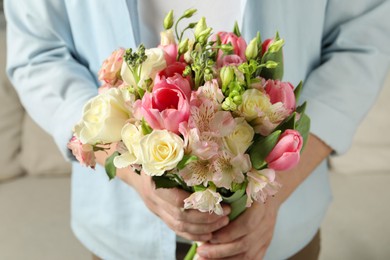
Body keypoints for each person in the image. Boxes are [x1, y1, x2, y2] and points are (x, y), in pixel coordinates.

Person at [4, 0, 390, 259]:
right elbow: (39, 55)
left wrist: (275, 188)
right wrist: (129, 168)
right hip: (119, 233)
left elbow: (361, 44)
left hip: (281, 231)